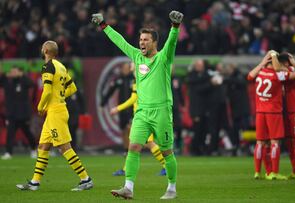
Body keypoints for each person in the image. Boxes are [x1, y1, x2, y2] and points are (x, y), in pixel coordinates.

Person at [92, 10, 183, 199]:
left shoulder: (163, 58)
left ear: (154, 43)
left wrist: (175, 27)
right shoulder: (137, 56)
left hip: (162, 112)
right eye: (141, 39)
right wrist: (104, 25)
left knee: (167, 152)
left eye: (146, 40)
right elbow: (120, 41)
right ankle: (128, 187)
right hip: (142, 112)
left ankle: (172, 188)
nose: (142, 42)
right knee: (133, 147)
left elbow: (172, 44)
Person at [16, 41, 93, 191]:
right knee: (43, 146)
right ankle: (35, 182)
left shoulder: (48, 66)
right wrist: (60, 97)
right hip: (57, 110)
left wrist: (40, 106)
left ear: (45, 50)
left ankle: (86, 179)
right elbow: (73, 88)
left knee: (64, 147)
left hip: (55, 112)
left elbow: (48, 91)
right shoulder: (61, 66)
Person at [248, 50, 295, 180]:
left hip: (260, 112)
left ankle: (257, 172)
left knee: (260, 143)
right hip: (273, 112)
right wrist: (291, 61)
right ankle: (274, 172)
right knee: (274, 142)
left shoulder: (260, 73)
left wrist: (263, 61)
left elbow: (249, 76)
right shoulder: (279, 75)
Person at [110, 80, 167, 176]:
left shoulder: (139, 79)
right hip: (144, 115)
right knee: (135, 142)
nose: (131, 66)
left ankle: (166, 166)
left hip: (143, 117)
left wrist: (117, 108)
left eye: (132, 65)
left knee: (148, 143)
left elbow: (133, 98)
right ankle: (126, 169)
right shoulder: (143, 78)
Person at [0, 66, 37, 160]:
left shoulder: (23, 81)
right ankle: (8, 152)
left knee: (27, 133)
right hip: (11, 113)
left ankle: (34, 149)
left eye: (15, 71)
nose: (13, 73)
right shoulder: (7, 81)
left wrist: (22, 76)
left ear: (20, 72)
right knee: (10, 133)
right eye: (12, 71)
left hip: (23, 113)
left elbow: (32, 84)